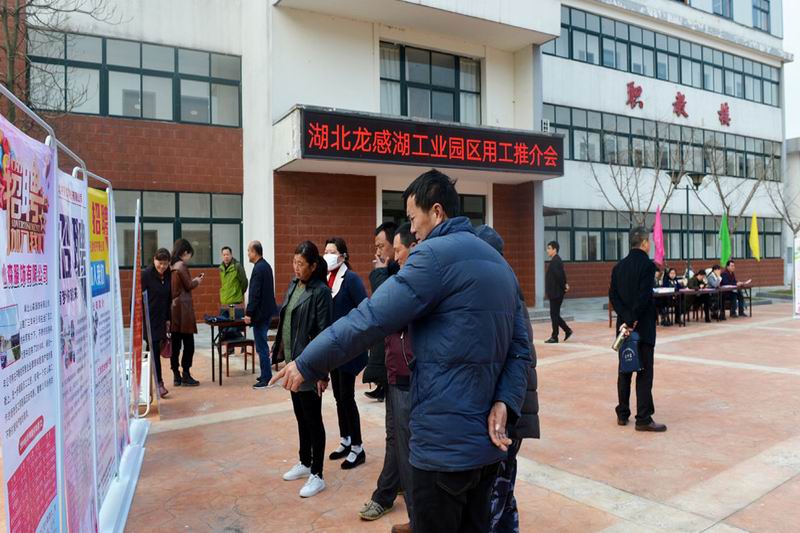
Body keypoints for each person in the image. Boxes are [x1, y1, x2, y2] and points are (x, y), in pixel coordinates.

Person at [271, 169, 531, 532]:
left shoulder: (434, 257)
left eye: (413, 218)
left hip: (441, 448)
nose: (412, 230)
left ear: (436, 212)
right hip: (485, 451)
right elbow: (521, 349)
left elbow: (370, 318)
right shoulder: (501, 265)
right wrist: (505, 400)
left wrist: (308, 361)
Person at [477, 225, 540, 533]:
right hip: (511, 410)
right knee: (503, 489)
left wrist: (504, 405)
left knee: (496, 491)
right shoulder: (506, 286)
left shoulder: (503, 294)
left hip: (509, 414)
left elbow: (518, 356)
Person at [359, 223, 417, 530]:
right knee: (396, 437)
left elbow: (387, 306)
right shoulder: (394, 273)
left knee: (400, 439)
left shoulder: (407, 278)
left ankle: (389, 497)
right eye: (379, 248)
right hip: (394, 370)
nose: (381, 254)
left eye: (387, 248)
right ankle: (394, 490)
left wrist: (380, 274)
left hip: (407, 374)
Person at [272, 241, 333, 498]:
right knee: (300, 416)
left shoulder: (321, 292)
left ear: (313, 265)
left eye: (301, 264)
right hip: (293, 363)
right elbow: (286, 320)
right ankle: (305, 461)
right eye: (294, 262)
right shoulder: (294, 285)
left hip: (310, 365)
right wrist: (279, 352)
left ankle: (317, 474)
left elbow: (325, 334)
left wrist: (322, 373)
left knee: (313, 419)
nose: (296, 268)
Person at [609, 227, 665, 432]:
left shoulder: (618, 267)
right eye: (648, 241)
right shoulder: (648, 266)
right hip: (642, 326)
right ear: (644, 243)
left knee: (625, 369)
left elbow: (613, 295)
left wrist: (626, 317)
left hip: (624, 327)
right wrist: (634, 318)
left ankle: (622, 413)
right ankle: (643, 417)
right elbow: (644, 296)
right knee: (644, 372)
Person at [324, 237, 369, 469]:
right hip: (333, 348)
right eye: (326, 251)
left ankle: (358, 447)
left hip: (349, 347)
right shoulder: (326, 279)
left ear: (343, 256)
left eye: (332, 251)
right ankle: (346, 439)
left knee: (347, 396)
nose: (328, 255)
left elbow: (364, 309)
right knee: (338, 397)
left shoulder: (350, 279)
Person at [362, 222, 398, 402]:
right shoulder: (385, 270)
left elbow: (386, 301)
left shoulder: (400, 271)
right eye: (376, 247)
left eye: (381, 246)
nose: (377, 252)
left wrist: (380, 273)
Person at [170, 238, 203, 387]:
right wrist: (197, 281)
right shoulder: (181, 265)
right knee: (189, 344)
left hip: (173, 309)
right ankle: (186, 374)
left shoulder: (171, 265)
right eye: (190, 254)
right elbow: (188, 285)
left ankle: (176, 375)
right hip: (183, 309)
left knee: (175, 345)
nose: (189, 257)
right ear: (185, 252)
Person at [246, 241, 277, 389]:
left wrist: (249, 313)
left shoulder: (259, 268)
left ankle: (266, 377)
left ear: (255, 252)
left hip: (260, 314)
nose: (248, 254)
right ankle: (265, 373)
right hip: (266, 312)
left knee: (262, 347)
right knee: (262, 345)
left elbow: (255, 293)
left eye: (249, 251)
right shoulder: (266, 266)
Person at [142, 248, 172, 398]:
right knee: (153, 351)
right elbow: (136, 298)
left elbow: (168, 298)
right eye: (160, 263)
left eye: (165, 264)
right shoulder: (146, 275)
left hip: (161, 319)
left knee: (154, 350)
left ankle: (146, 382)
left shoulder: (168, 274)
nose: (162, 266)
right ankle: (159, 383)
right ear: (154, 260)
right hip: (148, 320)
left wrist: (168, 319)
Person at [544, 241, 572, 344]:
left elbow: (559, 276)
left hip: (556, 293)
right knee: (555, 314)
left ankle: (555, 336)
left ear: (554, 249)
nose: (547, 250)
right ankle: (566, 331)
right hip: (555, 292)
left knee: (554, 314)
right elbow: (562, 274)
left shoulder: (555, 261)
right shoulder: (556, 260)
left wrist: (564, 286)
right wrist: (565, 284)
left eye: (549, 248)